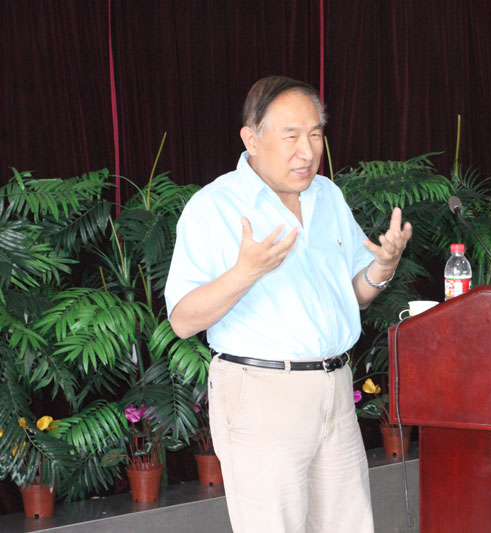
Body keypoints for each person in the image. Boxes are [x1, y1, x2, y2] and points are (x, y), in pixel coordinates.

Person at [165, 75, 412, 533]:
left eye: (315, 134)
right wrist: (245, 272)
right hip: (261, 395)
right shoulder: (214, 207)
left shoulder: (328, 196)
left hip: (335, 389)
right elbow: (182, 320)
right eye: (291, 135)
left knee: (350, 525)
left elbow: (355, 295)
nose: (307, 151)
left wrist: (383, 266)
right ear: (251, 139)